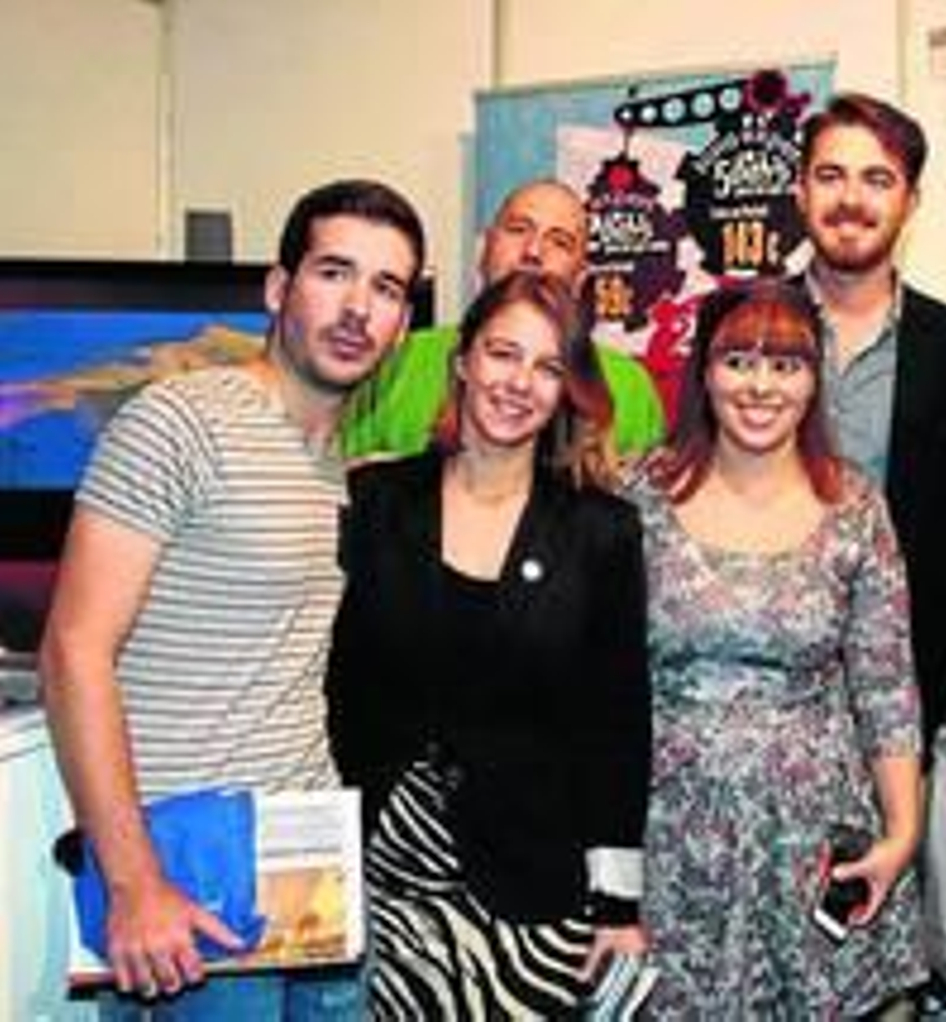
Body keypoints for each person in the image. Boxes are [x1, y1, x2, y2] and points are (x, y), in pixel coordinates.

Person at [38, 178, 426, 1017]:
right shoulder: (177, 421)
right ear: (279, 289)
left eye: (387, 288)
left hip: (311, 878)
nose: (358, 308)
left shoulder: (337, 465)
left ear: (403, 326)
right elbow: (73, 651)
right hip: (187, 888)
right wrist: (134, 882)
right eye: (334, 272)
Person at [325, 270, 650, 1018]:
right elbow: (332, 687)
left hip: (531, 896)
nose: (519, 383)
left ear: (566, 391)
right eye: (503, 354)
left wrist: (618, 908)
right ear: (462, 361)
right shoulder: (375, 502)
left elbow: (616, 729)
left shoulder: (601, 532)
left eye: (547, 366)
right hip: (377, 882)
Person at [630, 280, 925, 1017]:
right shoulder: (637, 494)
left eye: (786, 365)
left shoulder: (856, 507)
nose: (760, 386)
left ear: (814, 381)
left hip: (813, 836)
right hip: (668, 836)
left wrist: (902, 834)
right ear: (704, 373)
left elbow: (887, 688)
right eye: (738, 361)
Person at [794, 91, 946, 739]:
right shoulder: (737, 329)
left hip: (914, 689)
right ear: (800, 191)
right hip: (759, 687)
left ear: (911, 202)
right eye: (831, 175)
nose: (851, 199)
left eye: (877, 179)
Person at [342, 177, 666, 460]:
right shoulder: (398, 361)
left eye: (559, 242)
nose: (533, 251)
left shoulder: (629, 387)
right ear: (484, 250)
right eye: (518, 229)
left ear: (581, 278)